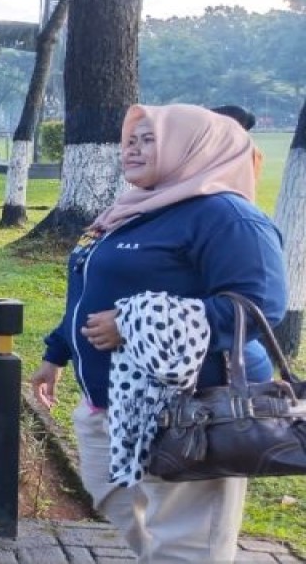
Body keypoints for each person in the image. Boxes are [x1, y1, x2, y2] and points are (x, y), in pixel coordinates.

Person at [29, 103, 287, 563]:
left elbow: (259, 305)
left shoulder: (226, 216)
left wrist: (132, 322)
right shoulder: (135, 210)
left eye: (149, 139)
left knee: (188, 540)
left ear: (191, 146)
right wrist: (57, 352)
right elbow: (91, 290)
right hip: (114, 401)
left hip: (191, 410)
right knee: (114, 498)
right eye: (130, 140)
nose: (132, 149)